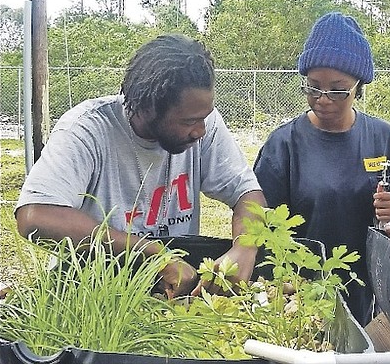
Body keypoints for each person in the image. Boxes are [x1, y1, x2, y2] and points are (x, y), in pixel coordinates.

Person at [15, 34, 266, 298]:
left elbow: (246, 192)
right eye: (189, 121)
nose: (200, 131)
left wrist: (245, 247)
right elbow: (35, 217)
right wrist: (154, 254)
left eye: (204, 118)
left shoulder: (203, 121)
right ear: (147, 108)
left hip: (168, 290)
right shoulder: (86, 129)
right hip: (90, 290)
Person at [253, 12, 390, 325]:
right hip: (299, 294)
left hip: (361, 290)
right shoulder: (284, 144)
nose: (322, 100)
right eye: (312, 87)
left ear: (359, 85)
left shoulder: (382, 138)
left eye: (338, 90)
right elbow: (264, 230)